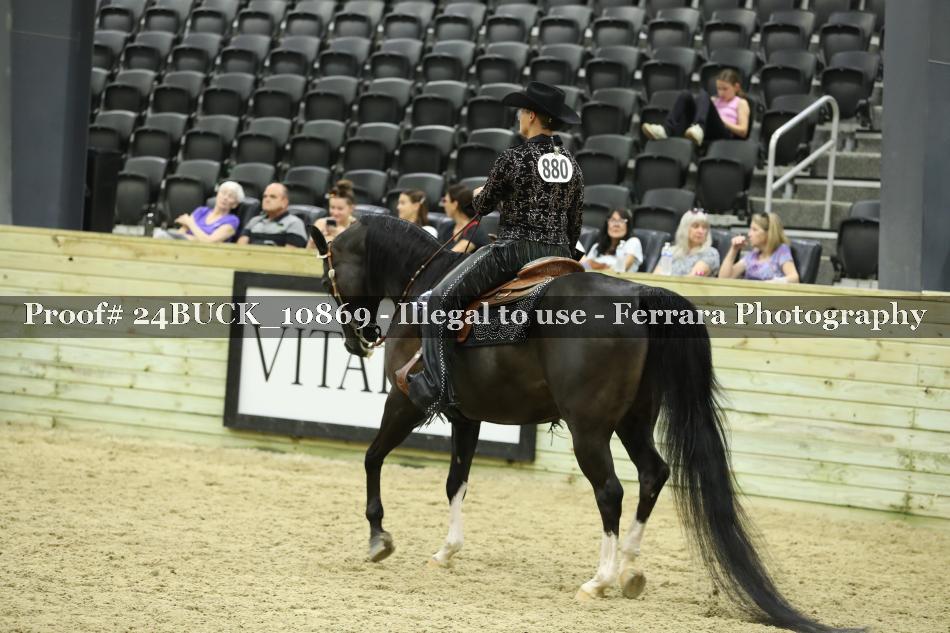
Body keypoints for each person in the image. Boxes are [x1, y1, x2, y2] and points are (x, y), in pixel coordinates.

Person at [406, 81, 585, 418]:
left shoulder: (514, 158)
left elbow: (483, 205)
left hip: (515, 251)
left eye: (521, 112)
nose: (519, 117)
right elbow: (575, 222)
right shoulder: (572, 165)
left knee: (438, 301)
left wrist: (478, 194)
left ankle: (435, 386)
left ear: (531, 116)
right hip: (560, 253)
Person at [641, 69, 750, 147]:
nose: (721, 93)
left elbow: (743, 131)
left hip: (724, 133)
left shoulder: (741, 102)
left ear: (736, 87)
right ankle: (666, 129)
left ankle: (699, 127)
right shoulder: (714, 100)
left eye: (725, 89)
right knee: (686, 95)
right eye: (719, 88)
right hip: (708, 130)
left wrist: (724, 123)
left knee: (704, 94)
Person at [718, 212, 800, 283]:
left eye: (754, 230)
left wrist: (770, 284)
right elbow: (723, 279)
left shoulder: (781, 251)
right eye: (750, 229)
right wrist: (734, 249)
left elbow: (794, 278)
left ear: (769, 233)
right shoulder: (753, 255)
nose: (749, 234)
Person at [157, 180, 243, 242]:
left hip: (205, 255)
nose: (225, 198)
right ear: (217, 195)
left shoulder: (232, 220)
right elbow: (180, 234)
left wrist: (190, 223)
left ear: (235, 204)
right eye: (223, 193)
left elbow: (210, 242)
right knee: (159, 234)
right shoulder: (201, 211)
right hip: (184, 247)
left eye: (231, 196)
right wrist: (196, 238)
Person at [236, 183, 307, 248]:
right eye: (265, 196)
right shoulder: (254, 221)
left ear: (284, 202)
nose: (267, 200)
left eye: (273, 197)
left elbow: (290, 255)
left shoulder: (294, 223)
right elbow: (240, 248)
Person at [654, 209, 720, 276]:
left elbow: (694, 277)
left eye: (704, 228)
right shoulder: (670, 251)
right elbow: (655, 276)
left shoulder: (710, 253)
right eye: (696, 226)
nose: (700, 231)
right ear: (685, 228)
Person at [310, 179, 358, 247]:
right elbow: (307, 250)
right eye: (332, 207)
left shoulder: (358, 229)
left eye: (340, 209)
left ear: (351, 208)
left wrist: (342, 236)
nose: (335, 213)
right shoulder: (320, 223)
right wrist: (314, 241)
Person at [441, 184, 487, 253]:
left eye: (445, 201)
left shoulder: (476, 231)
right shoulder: (447, 226)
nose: (444, 205)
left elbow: (450, 256)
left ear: (455, 204)